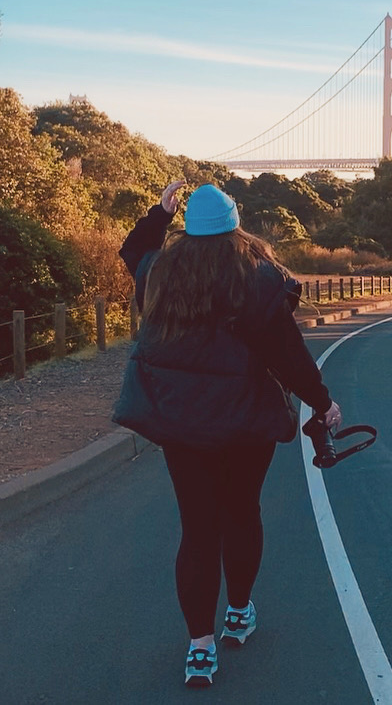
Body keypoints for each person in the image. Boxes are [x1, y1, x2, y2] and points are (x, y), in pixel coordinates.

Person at [113, 181, 341, 687]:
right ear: (236, 225)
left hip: (180, 421)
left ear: (190, 229)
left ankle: (200, 649)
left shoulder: (161, 272)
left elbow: (134, 249)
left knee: (197, 528)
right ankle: (238, 614)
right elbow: (287, 354)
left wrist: (160, 214)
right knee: (242, 513)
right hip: (245, 422)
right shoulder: (257, 276)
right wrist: (322, 403)